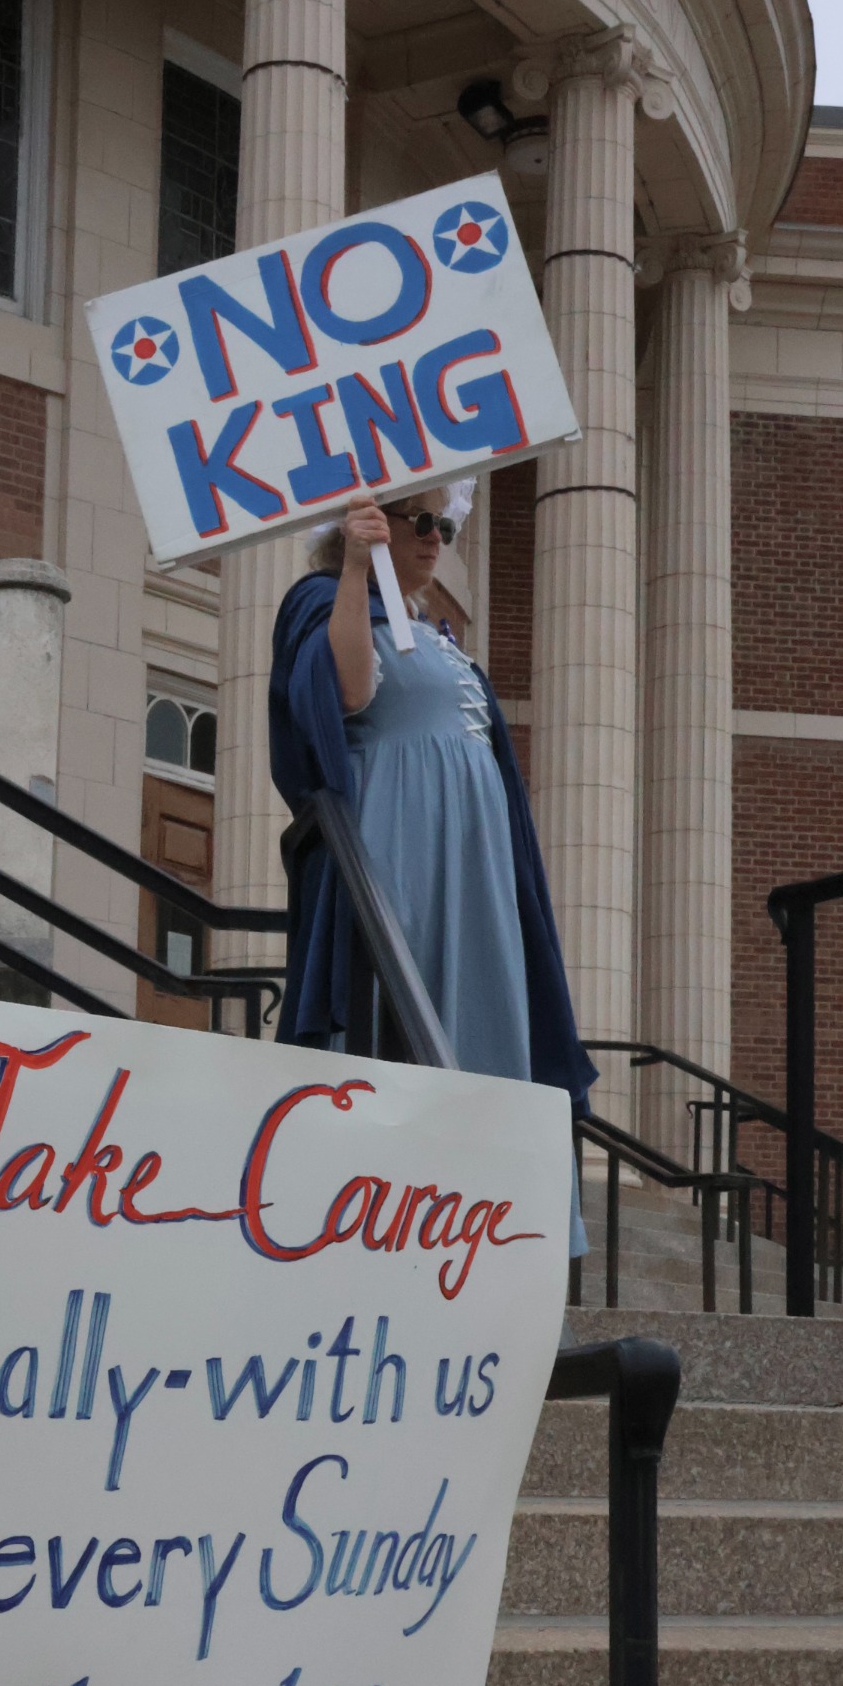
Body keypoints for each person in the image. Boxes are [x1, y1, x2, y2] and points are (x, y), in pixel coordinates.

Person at [268, 482, 594, 1256]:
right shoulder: (322, 599)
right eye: (420, 521)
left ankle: (488, 1239)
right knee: (398, 1020)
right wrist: (353, 566)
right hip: (400, 849)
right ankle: (368, 1227)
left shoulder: (437, 634)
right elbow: (343, 693)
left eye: (443, 524)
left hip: (476, 867)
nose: (435, 537)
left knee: (483, 1025)